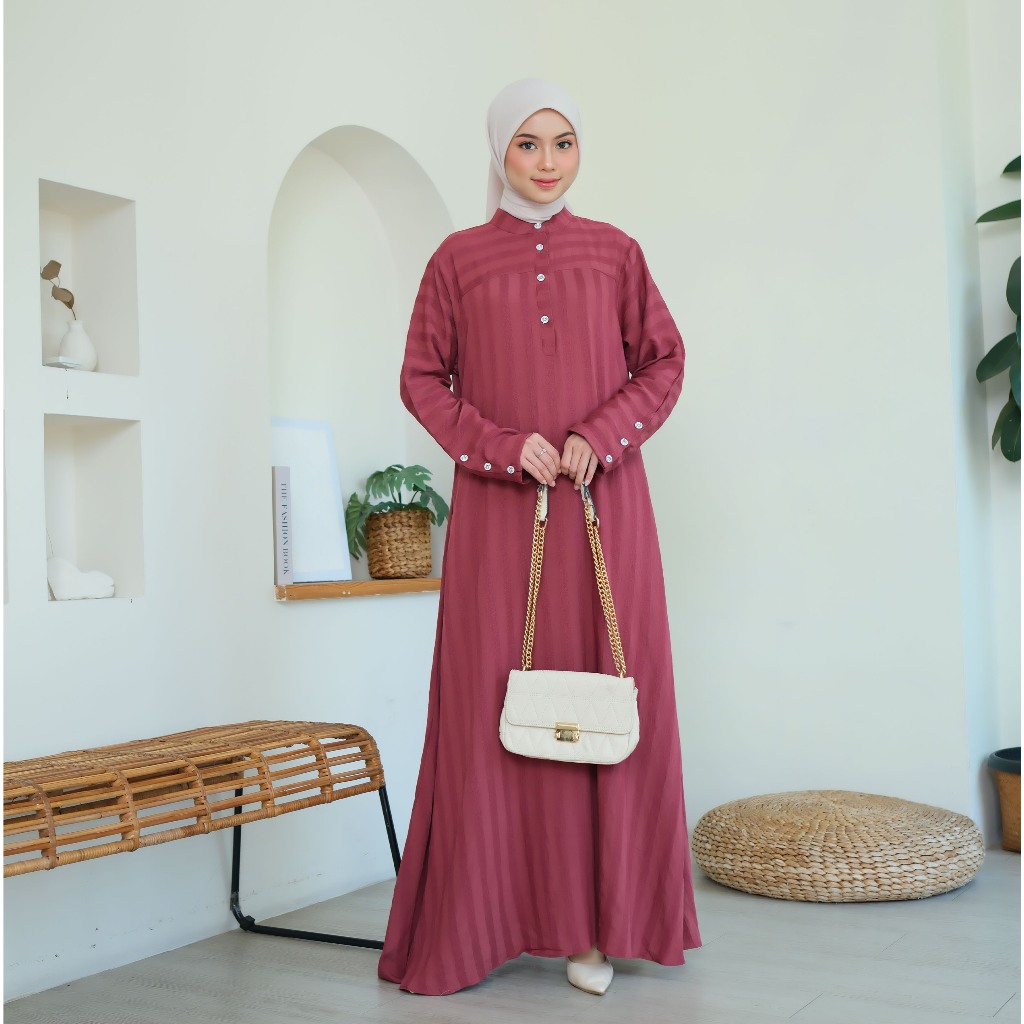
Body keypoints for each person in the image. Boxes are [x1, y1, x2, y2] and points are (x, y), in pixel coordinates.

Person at [377, 77, 702, 997]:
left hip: (605, 511)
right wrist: (496, 446)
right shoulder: (458, 260)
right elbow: (421, 378)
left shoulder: (614, 252)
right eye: (528, 144)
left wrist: (601, 435)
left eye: (563, 143)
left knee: (604, 697)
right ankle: (482, 924)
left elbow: (665, 361)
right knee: (491, 703)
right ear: (499, 151)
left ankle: (591, 931)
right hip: (500, 519)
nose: (547, 162)